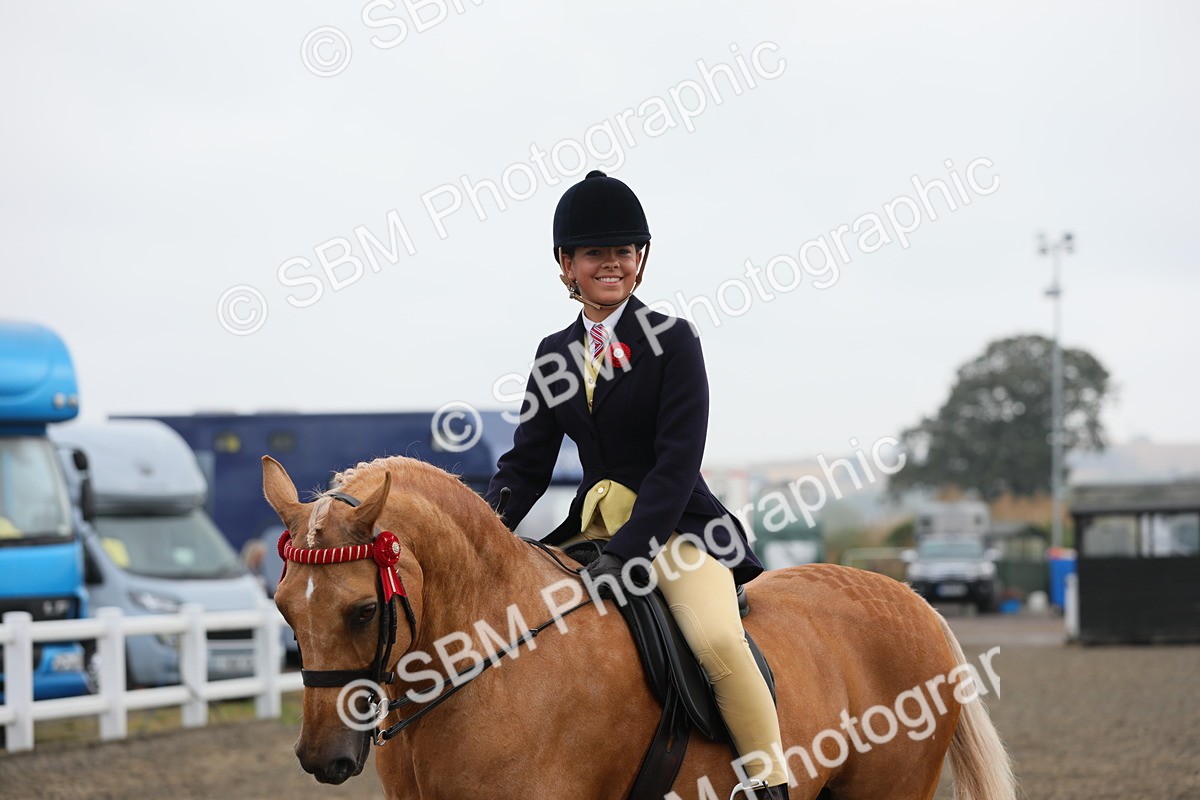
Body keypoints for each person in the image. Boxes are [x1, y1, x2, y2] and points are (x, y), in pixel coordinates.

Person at [485, 170, 789, 799]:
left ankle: (768, 779)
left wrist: (629, 552)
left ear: (641, 259)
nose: (612, 264)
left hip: (673, 528)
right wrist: (483, 534)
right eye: (596, 253)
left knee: (714, 640)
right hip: (587, 534)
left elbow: (677, 463)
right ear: (566, 263)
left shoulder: (673, 342)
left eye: (624, 252)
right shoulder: (554, 354)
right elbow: (526, 467)